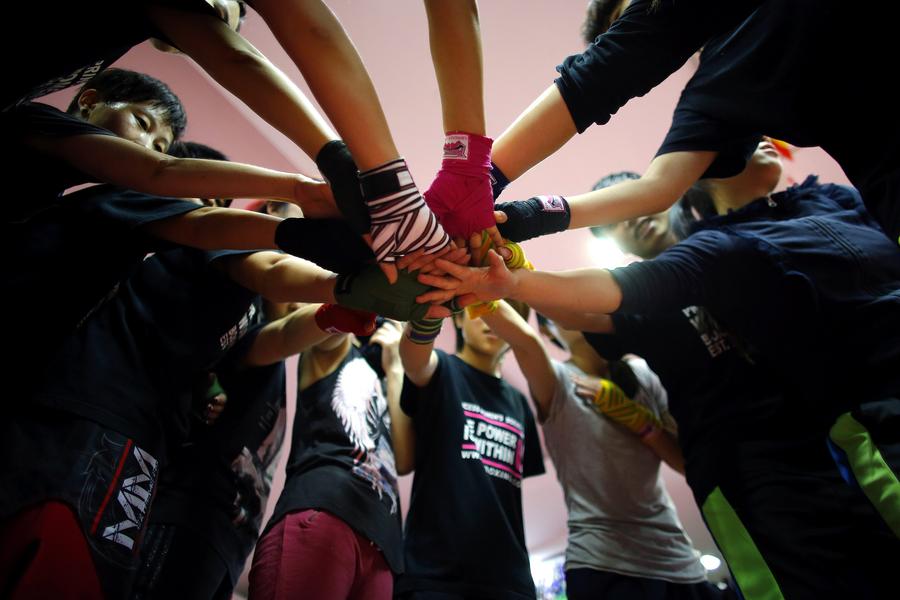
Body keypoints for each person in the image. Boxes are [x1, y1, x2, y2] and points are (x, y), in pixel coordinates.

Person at [419, 145, 900, 598]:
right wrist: (513, 277)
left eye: (636, 202)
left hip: (818, 436)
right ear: (616, 242)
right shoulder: (645, 297)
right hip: (739, 469)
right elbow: (578, 309)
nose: (635, 218)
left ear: (663, 196)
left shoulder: (739, 243)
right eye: (618, 222)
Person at [488, 0, 900, 242]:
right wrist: (525, 216)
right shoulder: (716, 90)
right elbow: (657, 188)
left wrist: (483, 175)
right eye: (622, 35)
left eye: (632, 23)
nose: (636, 41)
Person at [536, 317, 720, 600]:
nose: (571, 311)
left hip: (677, 556)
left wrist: (639, 421)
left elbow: (688, 464)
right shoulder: (555, 377)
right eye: (556, 310)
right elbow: (523, 340)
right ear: (547, 330)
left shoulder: (642, 373)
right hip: (602, 561)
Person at [5, 69, 331, 223]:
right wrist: (299, 189)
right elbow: (160, 170)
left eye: (159, 146)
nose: (146, 146)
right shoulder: (37, 120)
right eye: (142, 123)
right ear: (89, 101)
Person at [394, 300, 546, 599]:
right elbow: (415, 360)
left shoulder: (519, 403)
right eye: (480, 310)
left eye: (502, 316)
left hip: (511, 582)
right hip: (435, 575)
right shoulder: (442, 369)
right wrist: (425, 316)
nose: (491, 322)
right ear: (459, 320)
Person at [250, 318, 405, 600]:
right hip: (324, 510)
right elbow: (337, 317)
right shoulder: (335, 346)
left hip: (382, 546)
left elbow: (406, 459)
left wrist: (395, 366)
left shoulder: (391, 379)